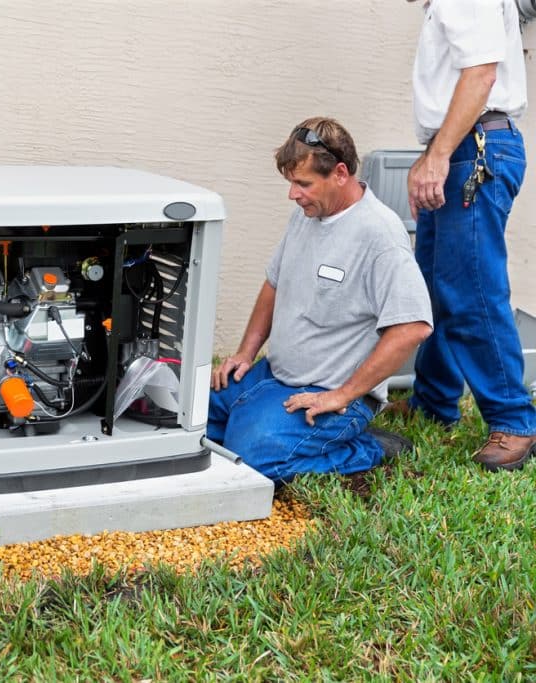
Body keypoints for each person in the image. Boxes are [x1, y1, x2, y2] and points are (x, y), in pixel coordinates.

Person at [209, 117, 433, 482]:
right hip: (273, 376)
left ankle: (369, 447)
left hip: (330, 393)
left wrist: (343, 395)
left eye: (303, 184)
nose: (293, 194)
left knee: (252, 460)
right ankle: (261, 420)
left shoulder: (379, 235)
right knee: (189, 420)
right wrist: (246, 353)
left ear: (340, 173)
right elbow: (273, 284)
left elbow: (413, 327)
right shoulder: (308, 213)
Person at [396, 0, 534, 472]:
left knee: (470, 289)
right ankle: (434, 402)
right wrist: (435, 155)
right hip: (462, 147)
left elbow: (480, 75)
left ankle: (514, 420)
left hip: (473, 149)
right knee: (435, 285)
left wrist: (437, 158)